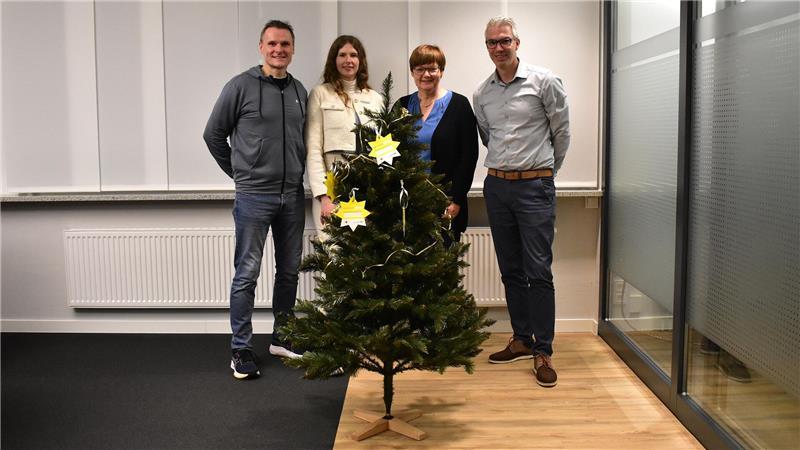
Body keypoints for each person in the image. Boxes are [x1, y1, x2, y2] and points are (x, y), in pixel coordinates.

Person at [203, 20, 307, 380]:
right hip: (254, 196)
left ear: (293, 49)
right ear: (261, 47)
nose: (279, 50)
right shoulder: (240, 86)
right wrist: (240, 174)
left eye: (286, 45)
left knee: (290, 270)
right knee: (247, 272)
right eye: (273, 44)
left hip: (292, 195)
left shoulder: (299, 91)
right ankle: (241, 348)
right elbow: (213, 134)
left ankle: (282, 336)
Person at [473, 17, 570, 387]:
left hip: (535, 187)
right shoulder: (481, 93)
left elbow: (561, 132)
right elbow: (488, 137)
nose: (499, 47)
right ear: (487, 48)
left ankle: (543, 349)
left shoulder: (544, 81)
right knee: (510, 269)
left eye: (504, 41)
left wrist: (545, 173)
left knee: (538, 271)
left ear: (517, 42)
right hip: (497, 187)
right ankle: (521, 339)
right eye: (492, 43)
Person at [395, 44, 479, 245]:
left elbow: (468, 157)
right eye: (420, 69)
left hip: (444, 203)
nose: (426, 74)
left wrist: (456, 199)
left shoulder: (460, 105)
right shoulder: (401, 106)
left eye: (432, 68)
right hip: (407, 205)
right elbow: (391, 152)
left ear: (441, 70)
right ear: (412, 72)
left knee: (442, 267)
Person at [305, 35, 383, 233]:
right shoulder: (320, 94)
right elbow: (313, 150)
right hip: (333, 193)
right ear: (334, 59)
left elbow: (383, 152)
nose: (348, 60)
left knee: (365, 257)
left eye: (354, 55)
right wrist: (324, 196)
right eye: (342, 55)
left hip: (367, 191)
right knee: (334, 255)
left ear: (361, 60)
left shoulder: (375, 99)